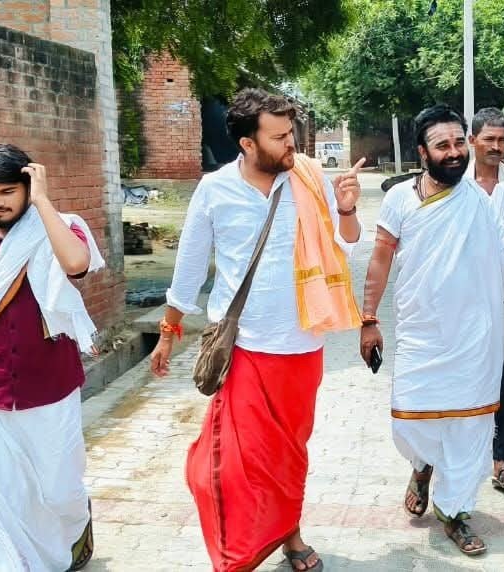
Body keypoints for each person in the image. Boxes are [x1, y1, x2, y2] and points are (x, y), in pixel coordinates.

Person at [148, 88, 364, 572]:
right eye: (280, 137)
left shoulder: (309, 178)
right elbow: (189, 267)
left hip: (302, 346)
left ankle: (291, 535)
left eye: (291, 133)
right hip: (242, 349)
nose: (292, 144)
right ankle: (235, 555)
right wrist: (168, 331)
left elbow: (347, 245)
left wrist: (347, 209)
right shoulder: (215, 190)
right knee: (227, 466)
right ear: (248, 143)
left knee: (288, 455)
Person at [359, 104, 504, 557]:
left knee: (470, 425)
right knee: (409, 419)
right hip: (421, 331)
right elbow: (380, 260)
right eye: (443, 145)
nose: (455, 152)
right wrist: (368, 319)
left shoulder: (480, 202)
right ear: (423, 153)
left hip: (474, 335)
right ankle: (422, 465)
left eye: (460, 142)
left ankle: (455, 510)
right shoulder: (400, 199)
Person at [0, 143, 105, 571]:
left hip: (50, 387)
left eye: (7, 192)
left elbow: (76, 263)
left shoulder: (59, 230)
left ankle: (74, 530)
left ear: (26, 187)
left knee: (58, 490)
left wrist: (42, 200)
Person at [467, 107, 504, 491]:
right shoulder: (454, 187)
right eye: (489, 139)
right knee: (464, 375)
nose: (496, 146)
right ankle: (446, 456)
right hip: (464, 301)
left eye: (502, 139)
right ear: (472, 140)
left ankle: (502, 460)